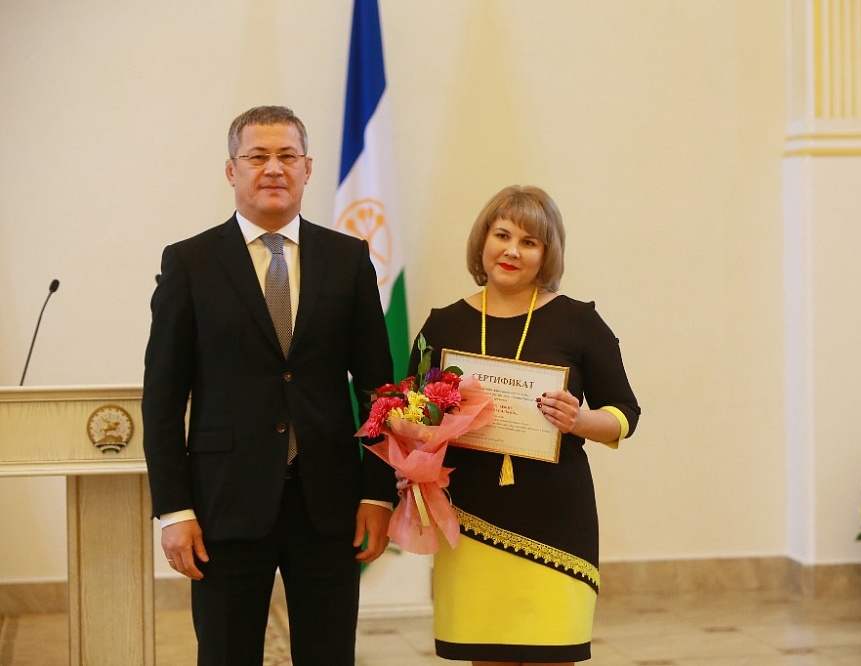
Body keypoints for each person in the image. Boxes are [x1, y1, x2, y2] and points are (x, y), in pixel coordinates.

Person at [142, 105, 396, 665]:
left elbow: (378, 391)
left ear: (307, 168)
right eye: (257, 156)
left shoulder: (348, 259)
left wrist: (378, 493)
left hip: (328, 502)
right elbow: (162, 400)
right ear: (231, 171)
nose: (273, 168)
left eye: (286, 156)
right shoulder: (190, 263)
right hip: (224, 505)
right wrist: (174, 510)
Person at [406, 185, 641, 665]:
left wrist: (579, 420)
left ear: (546, 254)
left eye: (529, 242)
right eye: (502, 235)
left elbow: (624, 413)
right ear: (483, 241)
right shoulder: (443, 326)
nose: (512, 251)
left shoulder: (578, 322)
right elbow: (413, 417)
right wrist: (415, 454)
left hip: (556, 521)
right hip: (470, 524)